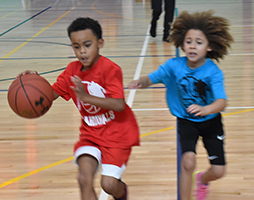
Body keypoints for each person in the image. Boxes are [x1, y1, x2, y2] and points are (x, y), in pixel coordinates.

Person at [18, 17, 140, 200]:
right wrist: (34, 83)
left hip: (117, 135)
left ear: (100, 43)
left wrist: (85, 97)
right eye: (76, 46)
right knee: (84, 179)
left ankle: (121, 192)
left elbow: (118, 104)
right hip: (90, 134)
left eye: (87, 45)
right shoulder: (71, 71)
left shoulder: (110, 69)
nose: (82, 51)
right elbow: (49, 96)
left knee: (108, 185)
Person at [129, 10, 233, 200]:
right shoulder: (173, 66)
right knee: (188, 161)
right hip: (187, 121)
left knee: (219, 170)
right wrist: (140, 82)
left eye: (199, 42)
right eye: (189, 41)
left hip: (211, 121)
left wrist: (205, 109)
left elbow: (221, 101)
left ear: (209, 46)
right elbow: (152, 78)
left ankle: (202, 180)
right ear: (182, 44)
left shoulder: (213, 72)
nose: (193, 46)